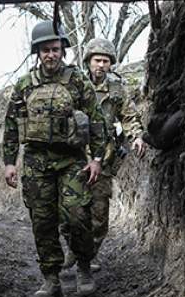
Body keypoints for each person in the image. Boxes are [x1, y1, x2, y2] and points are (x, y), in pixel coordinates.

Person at [3, 21, 108, 297]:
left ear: (63, 50)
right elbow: (12, 125)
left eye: (56, 49)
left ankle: (84, 266)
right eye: (46, 50)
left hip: (71, 160)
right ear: (37, 52)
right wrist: (10, 162)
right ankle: (51, 278)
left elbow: (97, 120)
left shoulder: (77, 81)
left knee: (77, 215)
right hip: (37, 162)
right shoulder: (25, 85)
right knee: (43, 221)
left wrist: (97, 158)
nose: (51, 55)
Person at [62, 38, 146, 272]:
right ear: (88, 61)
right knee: (70, 212)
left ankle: (89, 256)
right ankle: (74, 249)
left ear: (111, 64)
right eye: (97, 60)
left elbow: (129, 116)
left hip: (104, 158)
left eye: (105, 61)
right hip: (75, 157)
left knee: (99, 214)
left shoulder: (116, 88)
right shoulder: (73, 84)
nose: (101, 65)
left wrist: (136, 136)